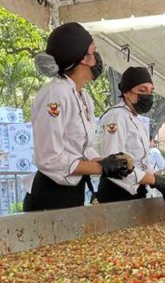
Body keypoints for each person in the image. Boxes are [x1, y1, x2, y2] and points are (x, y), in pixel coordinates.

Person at [26, 22, 134, 211]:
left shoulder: (83, 97)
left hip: (74, 189)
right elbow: (50, 159)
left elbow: (85, 147)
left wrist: (108, 161)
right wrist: (102, 168)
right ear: (83, 58)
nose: (97, 58)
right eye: (94, 51)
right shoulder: (55, 94)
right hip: (51, 194)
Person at [96, 66, 165, 203]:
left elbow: (142, 162)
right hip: (117, 193)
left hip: (136, 192)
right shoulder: (116, 116)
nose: (148, 95)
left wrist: (161, 178)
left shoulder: (138, 121)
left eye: (151, 91)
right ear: (126, 92)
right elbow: (116, 164)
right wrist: (155, 180)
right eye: (142, 90)